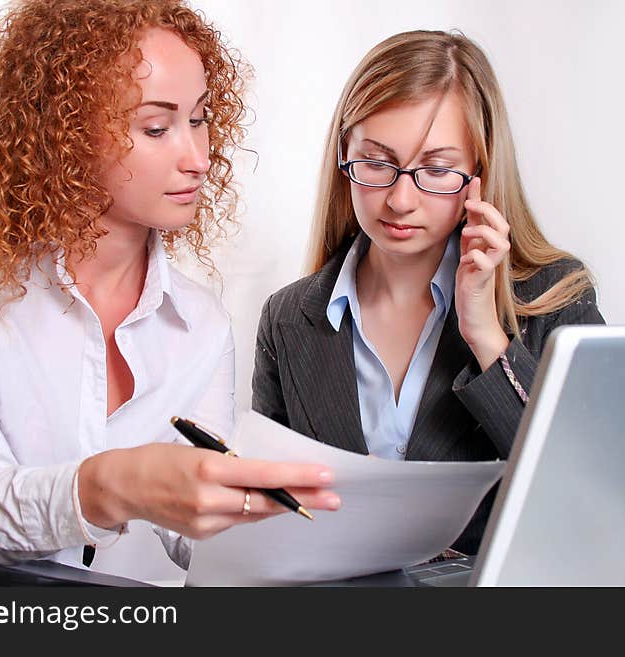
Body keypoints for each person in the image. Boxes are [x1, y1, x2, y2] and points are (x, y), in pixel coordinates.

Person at [0, 0, 339, 583]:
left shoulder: (201, 322)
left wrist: (310, 529)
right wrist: (116, 484)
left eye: (201, 117)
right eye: (156, 127)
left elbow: (188, 534)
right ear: (64, 133)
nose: (198, 158)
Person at [251, 30, 604, 555]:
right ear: (344, 155)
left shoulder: (554, 296)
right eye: (375, 162)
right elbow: (270, 511)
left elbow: (590, 492)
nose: (399, 199)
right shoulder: (288, 318)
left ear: (480, 173)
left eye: (436, 170)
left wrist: (486, 335)